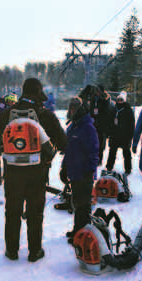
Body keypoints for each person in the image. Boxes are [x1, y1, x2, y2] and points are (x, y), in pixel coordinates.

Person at [0, 78, 67, 262]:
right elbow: (64, 142)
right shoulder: (46, 115)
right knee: (35, 213)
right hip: (37, 173)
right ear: (38, 92)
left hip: (12, 172)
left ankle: (12, 250)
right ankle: (34, 251)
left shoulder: (8, 113)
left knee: (12, 212)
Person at [60, 97, 99, 239]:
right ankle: (78, 229)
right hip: (75, 172)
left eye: (73, 108)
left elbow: (94, 152)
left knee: (84, 205)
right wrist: (64, 167)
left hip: (84, 173)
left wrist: (89, 171)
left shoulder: (87, 127)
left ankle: (83, 235)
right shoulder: (73, 126)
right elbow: (68, 149)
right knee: (77, 203)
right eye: (70, 108)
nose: (71, 111)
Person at [105, 91, 135, 175]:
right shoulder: (114, 109)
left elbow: (132, 124)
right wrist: (109, 132)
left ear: (124, 100)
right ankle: (109, 167)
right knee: (112, 152)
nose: (119, 101)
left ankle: (128, 169)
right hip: (114, 135)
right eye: (118, 100)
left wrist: (130, 136)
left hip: (125, 136)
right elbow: (109, 121)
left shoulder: (128, 109)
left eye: (121, 100)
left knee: (126, 153)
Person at [85, 84, 114, 165]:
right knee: (91, 142)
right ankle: (92, 158)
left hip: (101, 126)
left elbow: (106, 114)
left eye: (98, 91)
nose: (96, 92)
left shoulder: (105, 100)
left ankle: (99, 160)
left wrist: (99, 120)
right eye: (96, 91)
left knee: (100, 144)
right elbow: (90, 110)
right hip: (93, 124)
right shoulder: (93, 99)